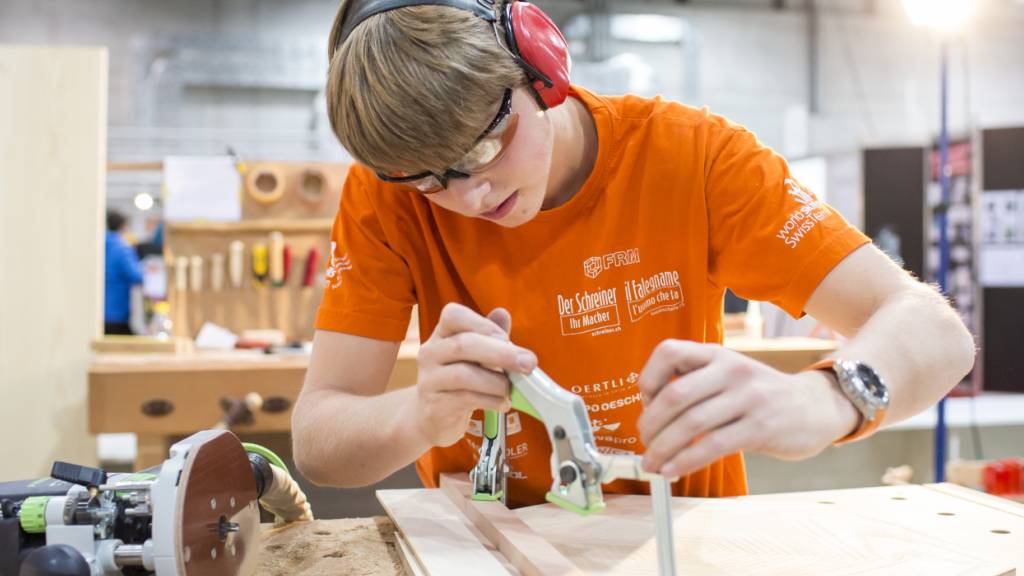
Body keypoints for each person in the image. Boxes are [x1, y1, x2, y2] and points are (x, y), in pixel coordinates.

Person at [292, 0, 975, 507]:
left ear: (541, 65)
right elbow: (319, 443)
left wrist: (824, 399)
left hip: (681, 534)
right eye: (429, 180)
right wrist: (417, 414)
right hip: (486, 545)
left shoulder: (693, 159)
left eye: (484, 147)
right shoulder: (386, 198)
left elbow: (937, 333)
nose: (471, 194)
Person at [104, 210, 143, 335]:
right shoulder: (122, 248)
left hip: (98, 311)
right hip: (117, 312)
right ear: (123, 226)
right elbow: (136, 276)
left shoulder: (99, 244)